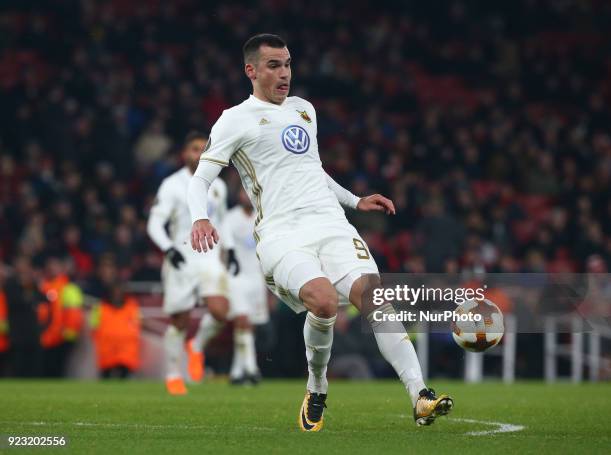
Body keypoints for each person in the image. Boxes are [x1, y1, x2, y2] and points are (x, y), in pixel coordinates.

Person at [188, 34, 453, 430]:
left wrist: (354, 200)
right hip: (281, 232)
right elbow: (200, 179)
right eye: (274, 65)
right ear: (251, 71)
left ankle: (419, 395)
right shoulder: (234, 119)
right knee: (325, 303)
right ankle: (317, 386)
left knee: (373, 295)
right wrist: (199, 217)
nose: (284, 73)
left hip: (330, 223)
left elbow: (313, 170)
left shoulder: (304, 110)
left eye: (288, 64)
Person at [147, 131, 238, 395]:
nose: (199, 154)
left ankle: (196, 346)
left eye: (203, 149)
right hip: (182, 257)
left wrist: (230, 249)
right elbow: (154, 223)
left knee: (221, 312)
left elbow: (222, 222)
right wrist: (168, 249)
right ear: (184, 154)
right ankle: (174, 374)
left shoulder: (217, 186)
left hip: (210, 255)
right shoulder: (171, 185)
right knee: (179, 320)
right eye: (194, 149)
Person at [223, 189, 270, 385]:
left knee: (248, 324)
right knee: (242, 320)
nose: (246, 196)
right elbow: (224, 246)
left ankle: (236, 372)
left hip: (257, 278)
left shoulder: (263, 218)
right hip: (237, 277)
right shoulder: (230, 218)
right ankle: (251, 369)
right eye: (242, 192)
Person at [90, 280, 141, 379]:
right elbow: (94, 328)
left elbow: (137, 326)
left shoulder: (132, 307)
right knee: (106, 379)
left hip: (126, 352)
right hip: (107, 351)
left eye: (119, 291)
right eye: (115, 292)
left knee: (124, 380)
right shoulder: (100, 308)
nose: (117, 294)